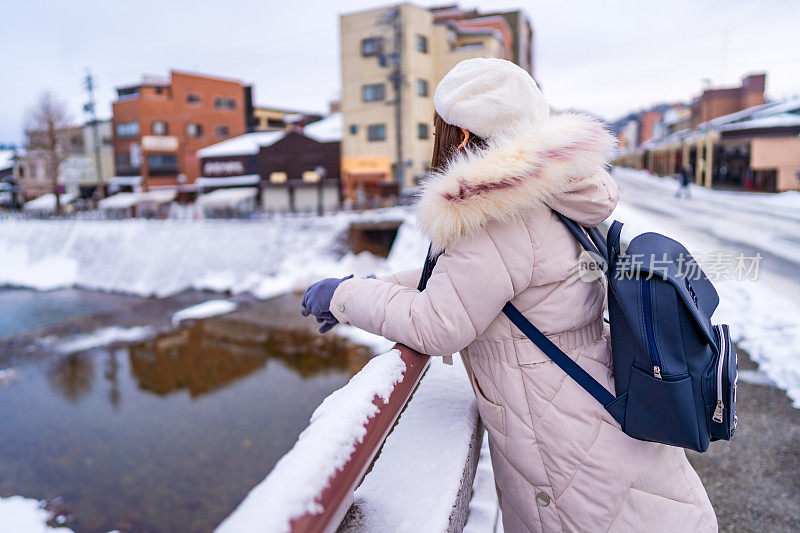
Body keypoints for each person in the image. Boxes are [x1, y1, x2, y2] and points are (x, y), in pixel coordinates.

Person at [302, 58, 717, 532]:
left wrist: (344, 297)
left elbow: (437, 323)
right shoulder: (552, 193)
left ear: (460, 134)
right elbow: (463, 284)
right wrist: (370, 288)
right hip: (595, 396)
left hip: (555, 430)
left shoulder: (498, 215)